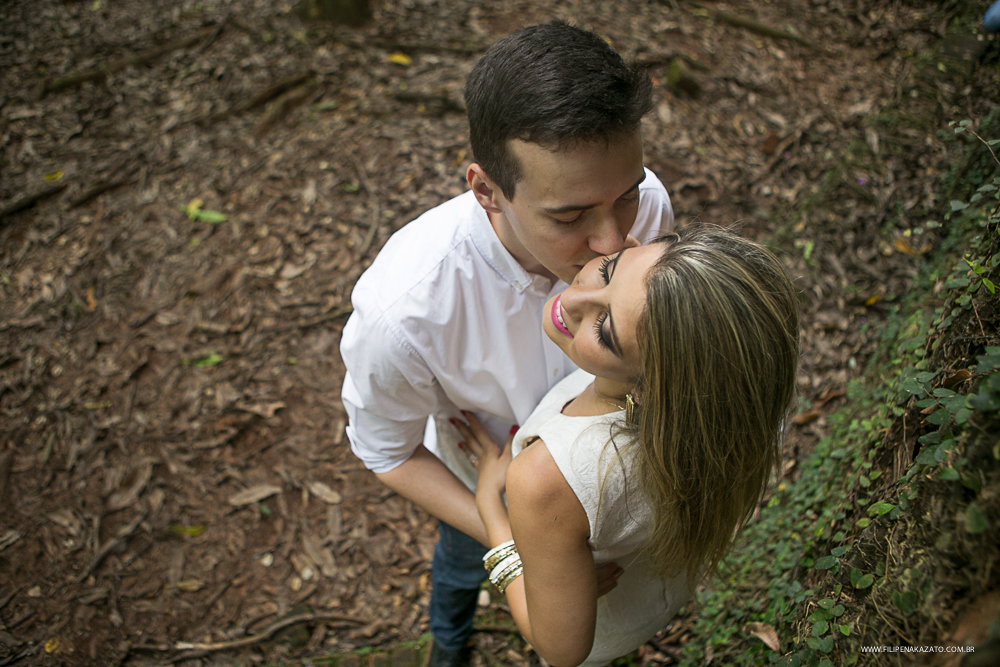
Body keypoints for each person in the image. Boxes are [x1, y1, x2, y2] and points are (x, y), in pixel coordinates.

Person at [339, 23, 674, 666]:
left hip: (611, 479)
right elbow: (386, 451)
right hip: (483, 488)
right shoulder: (404, 313)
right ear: (486, 190)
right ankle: (448, 641)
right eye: (570, 217)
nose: (613, 241)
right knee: (461, 569)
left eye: (625, 196)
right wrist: (516, 536)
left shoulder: (648, 208)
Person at [453, 226, 800, 667]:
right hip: (649, 596)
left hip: (597, 627)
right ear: (635, 246)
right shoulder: (726, 411)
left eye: (606, 329)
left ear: (656, 387)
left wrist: (492, 511)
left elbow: (560, 649)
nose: (572, 301)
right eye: (610, 271)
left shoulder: (545, 477)